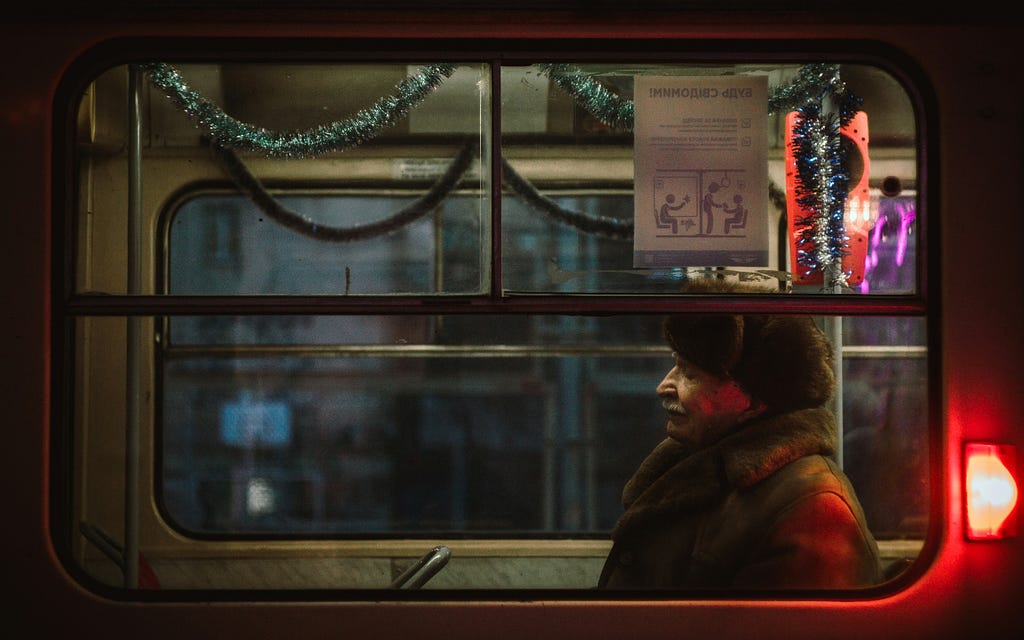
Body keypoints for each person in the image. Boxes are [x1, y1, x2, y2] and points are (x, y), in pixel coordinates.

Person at [598, 280, 883, 590]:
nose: (664, 386)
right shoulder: (700, 464)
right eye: (675, 366)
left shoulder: (814, 509)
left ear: (756, 397)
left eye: (690, 374)